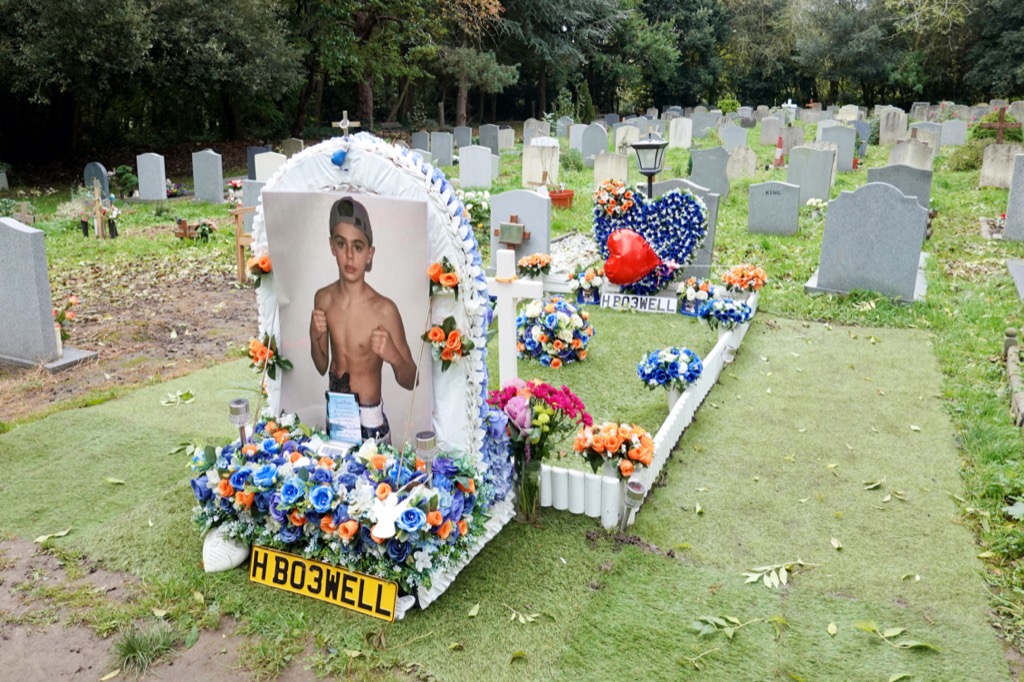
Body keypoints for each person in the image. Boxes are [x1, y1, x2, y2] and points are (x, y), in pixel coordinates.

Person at [310, 197, 417, 444]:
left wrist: (394, 356)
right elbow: (321, 365)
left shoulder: (384, 310)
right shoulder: (323, 299)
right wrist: (314, 336)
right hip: (336, 415)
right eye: (341, 244)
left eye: (357, 247)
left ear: (369, 254)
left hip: (370, 421)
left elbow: (412, 379)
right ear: (332, 246)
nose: (349, 256)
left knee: (376, 472)